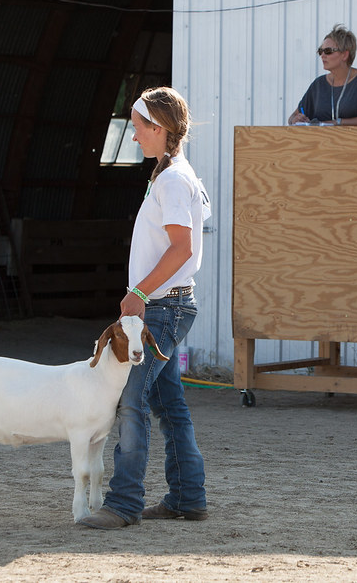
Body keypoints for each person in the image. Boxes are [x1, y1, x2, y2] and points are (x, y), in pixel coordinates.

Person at [79, 86, 211, 529]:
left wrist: (138, 292)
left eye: (138, 127)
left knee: (131, 399)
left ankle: (123, 503)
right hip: (167, 305)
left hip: (161, 308)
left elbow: (180, 248)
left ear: (159, 128)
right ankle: (187, 498)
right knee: (167, 403)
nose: (134, 136)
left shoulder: (172, 179)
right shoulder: (171, 173)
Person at [287, 24, 357, 126]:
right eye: (320, 51)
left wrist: (337, 123)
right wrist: (295, 120)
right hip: (322, 141)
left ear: (344, 55)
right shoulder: (318, 84)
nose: (322, 55)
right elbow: (292, 117)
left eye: (328, 51)